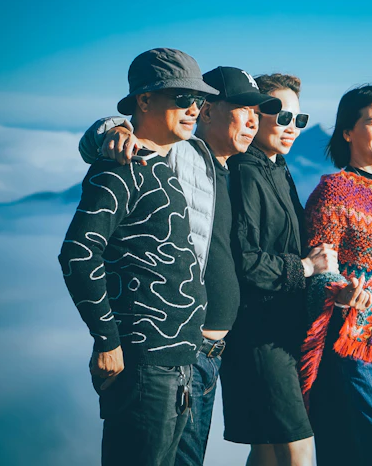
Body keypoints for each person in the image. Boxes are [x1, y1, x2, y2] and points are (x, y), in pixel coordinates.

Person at [77, 64, 282, 466]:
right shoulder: (181, 153)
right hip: (176, 351)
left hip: (208, 355)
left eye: (257, 112)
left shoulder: (237, 169)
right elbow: (120, 139)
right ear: (207, 110)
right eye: (243, 109)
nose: (253, 121)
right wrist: (115, 129)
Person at [59, 48, 215, 465]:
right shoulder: (118, 167)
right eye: (184, 98)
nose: (195, 109)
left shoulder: (162, 165)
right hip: (144, 366)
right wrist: (106, 341)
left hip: (177, 364)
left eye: (200, 100)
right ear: (144, 100)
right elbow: (78, 252)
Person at [221, 73, 337, 466]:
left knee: (268, 450)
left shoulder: (277, 166)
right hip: (259, 334)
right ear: (254, 114)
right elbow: (244, 261)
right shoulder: (245, 172)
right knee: (297, 449)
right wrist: (307, 266)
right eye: (282, 116)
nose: (292, 128)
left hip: (278, 330)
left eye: (299, 120)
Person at [301, 85, 372, 466]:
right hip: (349, 347)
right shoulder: (335, 191)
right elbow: (317, 264)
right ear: (347, 131)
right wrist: (340, 291)